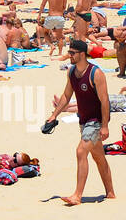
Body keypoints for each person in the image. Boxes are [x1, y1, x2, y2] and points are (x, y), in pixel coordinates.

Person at [43, 39, 116, 206]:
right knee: (99, 157)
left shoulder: (96, 73)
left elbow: (105, 101)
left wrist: (105, 126)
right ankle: (110, 193)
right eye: (69, 52)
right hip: (83, 121)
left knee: (81, 152)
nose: (69, 55)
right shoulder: (71, 72)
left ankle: (77, 195)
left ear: (82, 54)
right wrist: (54, 115)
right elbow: (66, 96)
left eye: (72, 53)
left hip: (96, 121)